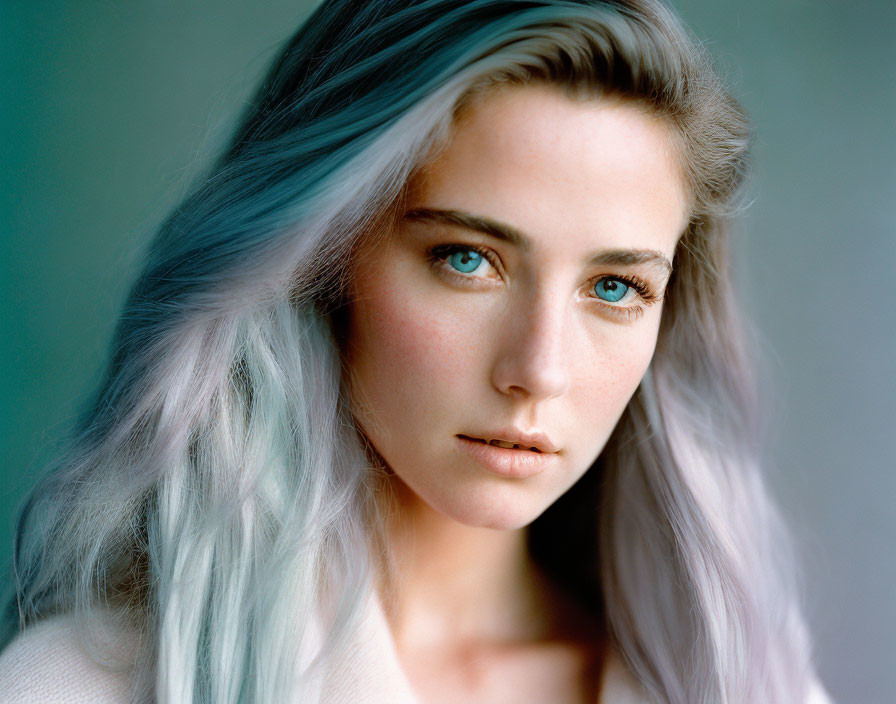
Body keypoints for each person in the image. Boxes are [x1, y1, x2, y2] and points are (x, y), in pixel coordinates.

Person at [0, 1, 835, 702]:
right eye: (466, 259)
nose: (538, 370)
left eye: (614, 287)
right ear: (322, 263)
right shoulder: (82, 685)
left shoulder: (746, 679)